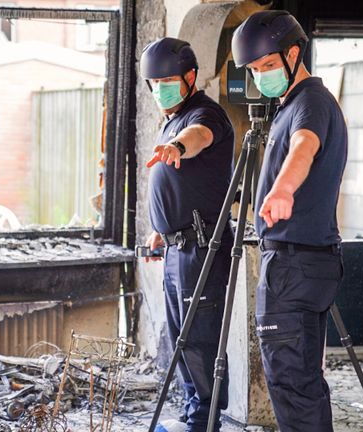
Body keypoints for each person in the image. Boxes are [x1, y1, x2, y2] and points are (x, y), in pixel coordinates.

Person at [231, 10, 349, 432]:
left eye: (267, 66)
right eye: (254, 70)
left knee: (291, 386)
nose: (261, 76)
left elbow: (304, 146)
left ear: (293, 53)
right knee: (302, 382)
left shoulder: (310, 103)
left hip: (293, 266)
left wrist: (282, 189)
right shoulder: (294, 105)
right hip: (308, 261)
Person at [140, 37, 235, 432]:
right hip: (180, 246)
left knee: (199, 341)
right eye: (153, 82)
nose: (159, 88)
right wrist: (163, 230)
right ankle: (193, 416)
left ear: (190, 77)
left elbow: (199, 137)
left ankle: (204, 422)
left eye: (167, 80)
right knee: (182, 341)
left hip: (203, 250)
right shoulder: (171, 115)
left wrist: (178, 145)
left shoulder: (204, 114)